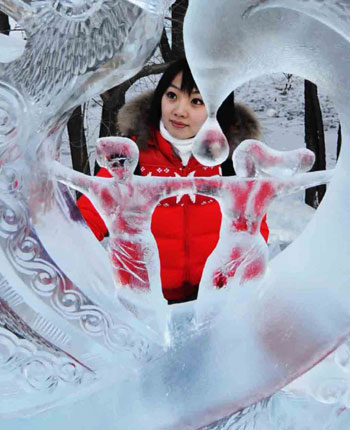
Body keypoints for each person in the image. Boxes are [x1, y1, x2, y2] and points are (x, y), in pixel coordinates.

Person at [77, 58, 269, 304]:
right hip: (145, 305)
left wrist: (229, 287)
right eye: (172, 96)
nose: (179, 110)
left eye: (196, 101)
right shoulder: (131, 159)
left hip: (215, 303)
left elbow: (254, 235)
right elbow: (84, 224)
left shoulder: (233, 163)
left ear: (217, 108)